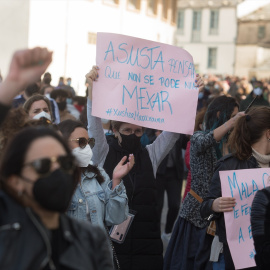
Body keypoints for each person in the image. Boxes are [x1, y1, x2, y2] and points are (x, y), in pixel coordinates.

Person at [86, 66, 204, 270]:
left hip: (146, 246)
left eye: (138, 131)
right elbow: (93, 124)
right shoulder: (103, 153)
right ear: (115, 130)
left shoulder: (151, 154)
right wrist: (91, 92)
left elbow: (174, 129)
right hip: (109, 244)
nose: (133, 134)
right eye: (127, 130)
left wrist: (191, 93)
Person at [0, 126, 113, 270]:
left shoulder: (92, 239)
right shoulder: (5, 240)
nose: (57, 171)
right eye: (43, 165)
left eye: (64, 163)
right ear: (15, 181)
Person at [164, 95, 243, 270]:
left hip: (222, 219)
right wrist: (231, 123)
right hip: (196, 218)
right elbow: (205, 141)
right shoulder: (199, 137)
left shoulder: (233, 145)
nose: (235, 122)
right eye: (232, 117)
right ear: (219, 115)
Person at [200, 106, 270, 269]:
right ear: (268, 133)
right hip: (235, 256)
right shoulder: (230, 165)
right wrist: (214, 205)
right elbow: (204, 210)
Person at [58, 119, 132, 229]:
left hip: (100, 245)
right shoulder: (54, 178)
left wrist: (116, 181)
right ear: (62, 143)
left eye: (90, 142)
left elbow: (116, 218)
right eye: (81, 142)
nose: (87, 147)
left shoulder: (98, 174)